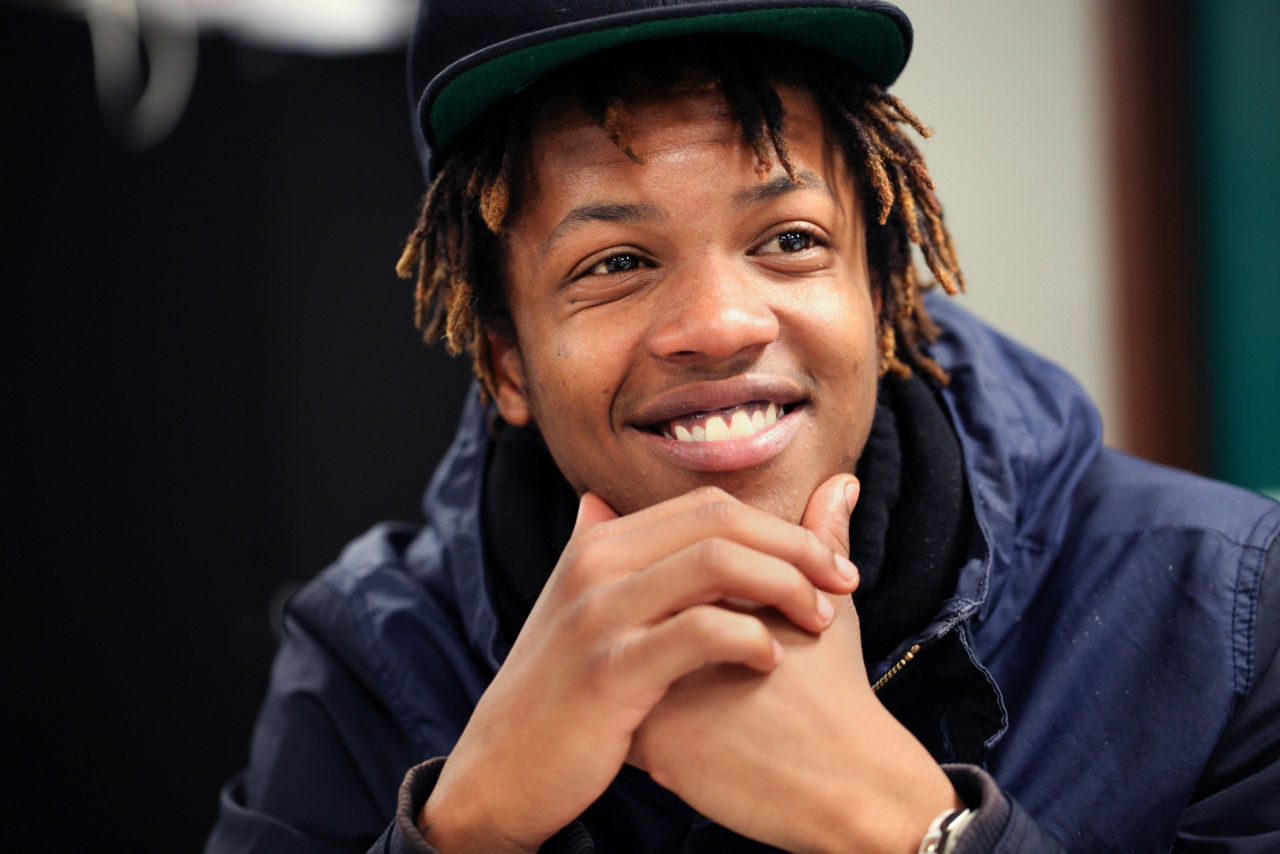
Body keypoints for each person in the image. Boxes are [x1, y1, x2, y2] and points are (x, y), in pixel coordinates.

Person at [206, 1, 1280, 852]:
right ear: (504, 359)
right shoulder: (371, 662)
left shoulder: (1226, 615)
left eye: (788, 239)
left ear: (883, 292)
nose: (718, 325)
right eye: (613, 264)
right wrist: (467, 824)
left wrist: (913, 826)